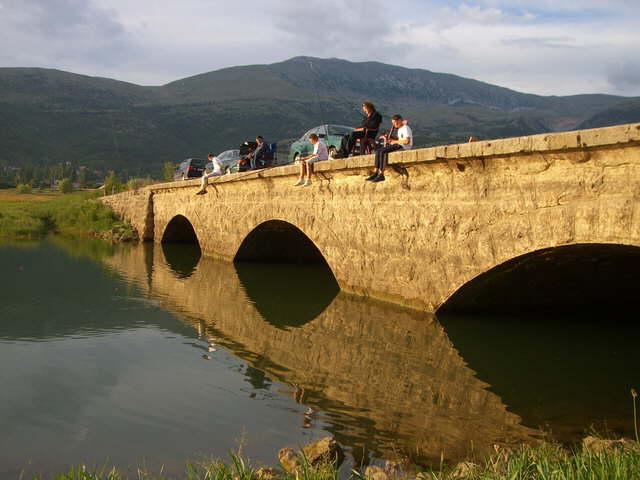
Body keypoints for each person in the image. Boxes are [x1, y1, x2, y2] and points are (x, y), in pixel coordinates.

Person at [366, 114, 413, 183]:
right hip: (399, 145)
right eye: (393, 123)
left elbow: (407, 141)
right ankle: (375, 172)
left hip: (404, 147)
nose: (394, 125)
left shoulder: (405, 128)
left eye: (395, 122)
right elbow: (400, 140)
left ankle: (381, 173)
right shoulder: (400, 129)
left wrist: (395, 142)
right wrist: (392, 141)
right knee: (378, 151)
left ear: (400, 120)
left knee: (383, 152)